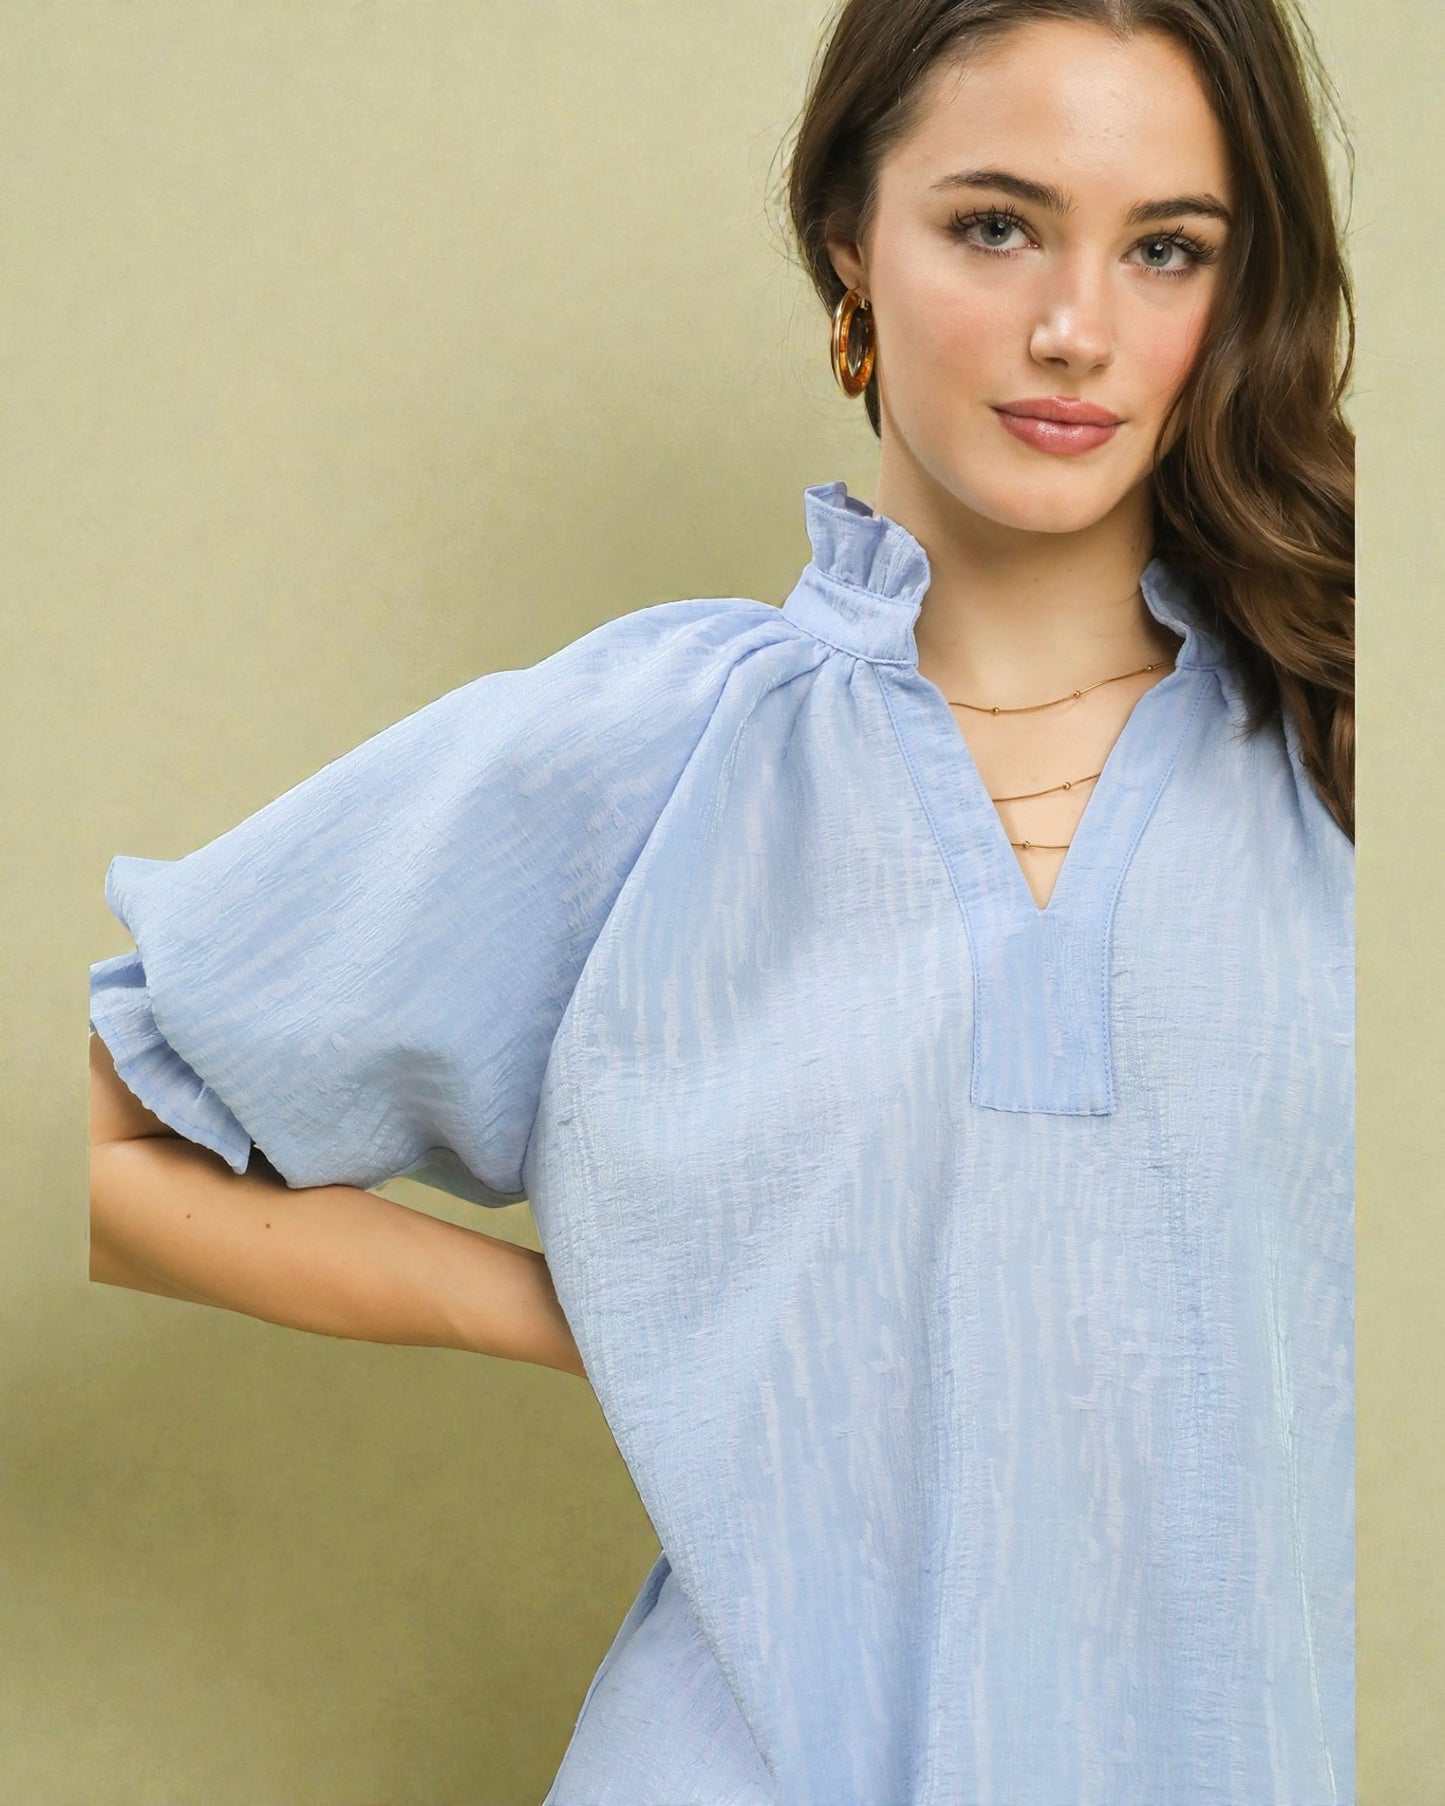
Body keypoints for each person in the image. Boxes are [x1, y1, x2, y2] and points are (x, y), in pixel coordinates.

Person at [88, 0, 1356, 1800]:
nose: (1076, 326)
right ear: (849, 243)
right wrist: (608, 1312)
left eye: (1165, 249)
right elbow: (105, 1150)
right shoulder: (653, 752)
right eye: (994, 224)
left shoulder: (1342, 755)